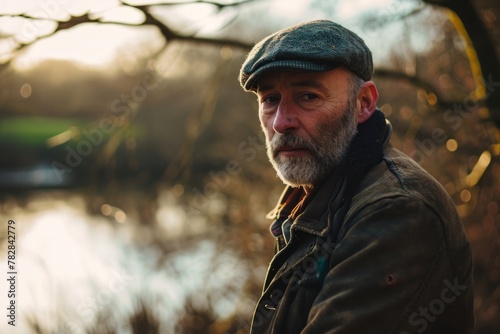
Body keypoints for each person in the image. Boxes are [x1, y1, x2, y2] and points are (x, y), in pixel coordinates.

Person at [238, 20, 474, 334]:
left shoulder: (397, 210)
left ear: (363, 103)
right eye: (270, 99)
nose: (282, 122)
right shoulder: (317, 195)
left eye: (308, 96)